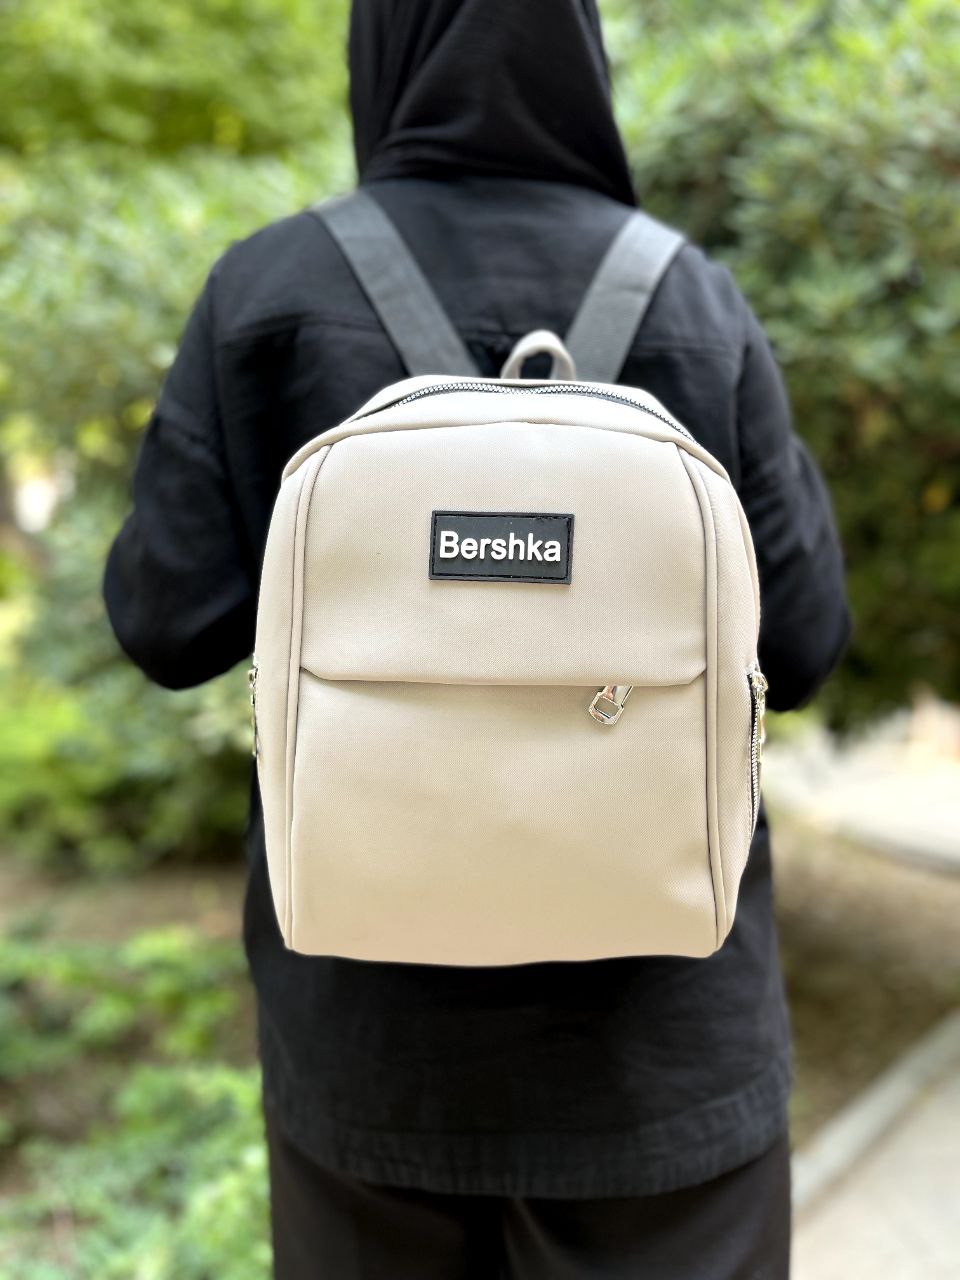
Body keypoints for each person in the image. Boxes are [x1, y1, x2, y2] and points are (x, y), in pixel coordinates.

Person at [104, 1, 851, 1275]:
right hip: (663, 1063)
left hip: (370, 1063)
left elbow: (163, 623)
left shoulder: (270, 292)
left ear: (381, 47)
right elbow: (810, 638)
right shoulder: (691, 296)